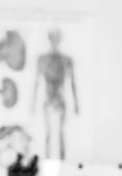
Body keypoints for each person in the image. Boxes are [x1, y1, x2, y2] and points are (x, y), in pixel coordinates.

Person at [32, 28, 79, 160]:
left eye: (56, 38)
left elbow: (72, 82)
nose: (54, 41)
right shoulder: (42, 60)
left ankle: (62, 165)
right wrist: (33, 104)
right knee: (48, 133)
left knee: (60, 134)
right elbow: (37, 82)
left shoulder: (66, 60)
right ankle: (47, 164)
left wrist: (76, 104)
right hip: (48, 99)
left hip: (60, 99)